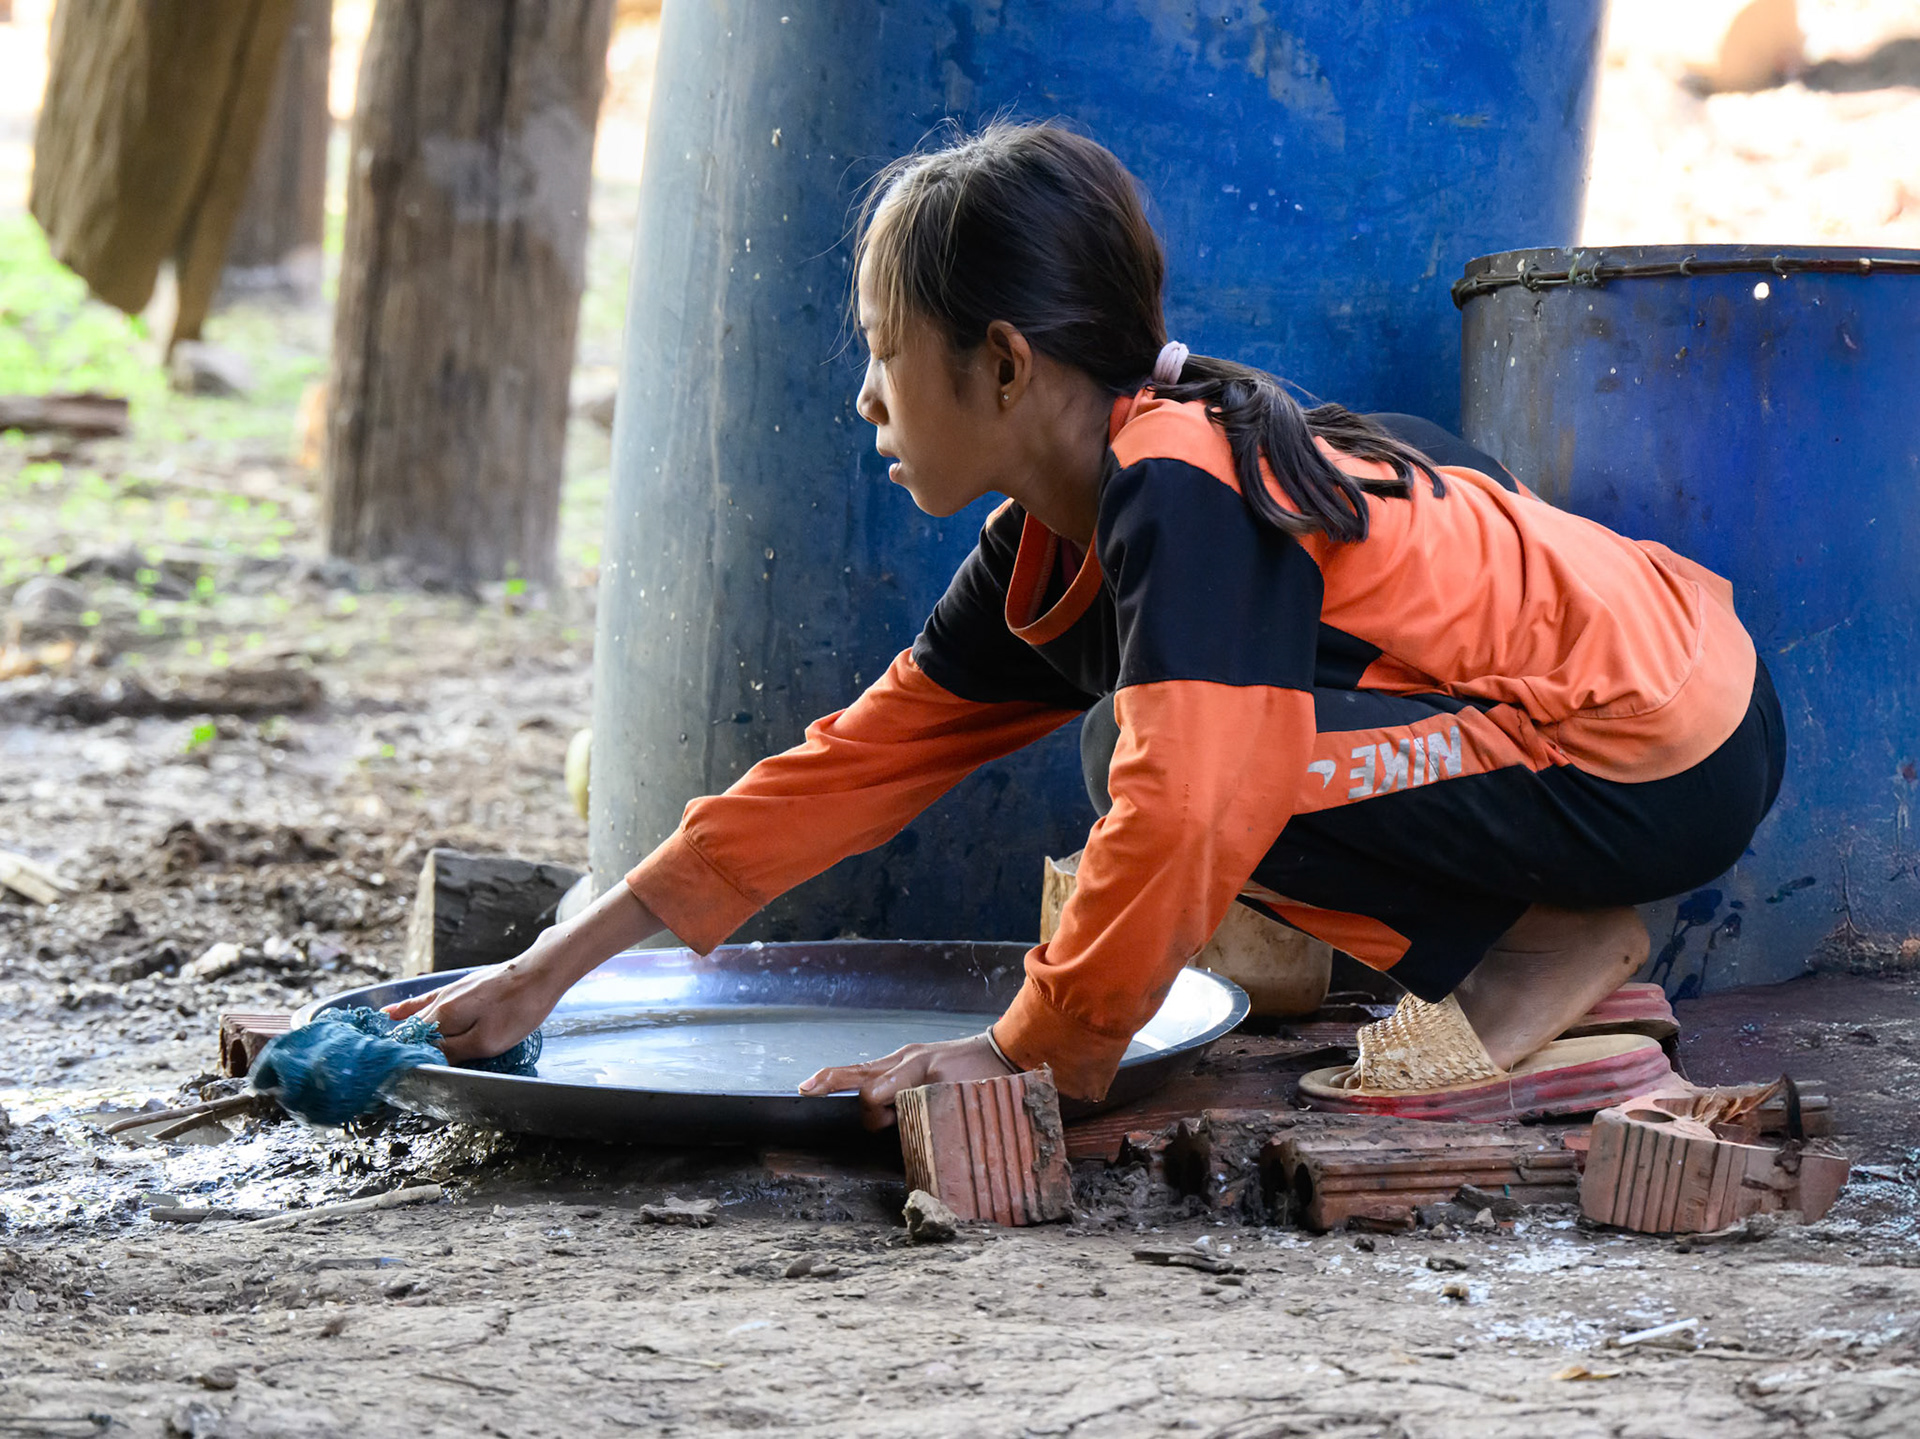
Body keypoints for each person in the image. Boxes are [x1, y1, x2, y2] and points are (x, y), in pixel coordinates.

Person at [388, 123, 1783, 1126]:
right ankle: (1550, 943)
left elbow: (1187, 811)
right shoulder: (1058, 538)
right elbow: (844, 771)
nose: (866, 398)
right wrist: (549, 972)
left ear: (1003, 365)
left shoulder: (1184, 485)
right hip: (1612, 723)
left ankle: (1548, 949)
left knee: (1170, 758)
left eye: (883, 351)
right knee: (1167, 743)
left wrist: (1027, 1059)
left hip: (1661, 746)